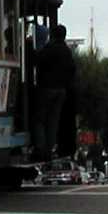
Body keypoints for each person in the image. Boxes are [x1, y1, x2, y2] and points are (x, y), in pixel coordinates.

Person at [32, 24, 75, 162]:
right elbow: (72, 70)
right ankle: (49, 149)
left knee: (39, 119)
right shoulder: (67, 51)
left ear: (53, 35)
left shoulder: (49, 49)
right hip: (61, 90)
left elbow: (37, 61)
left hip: (47, 88)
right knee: (53, 121)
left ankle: (40, 147)